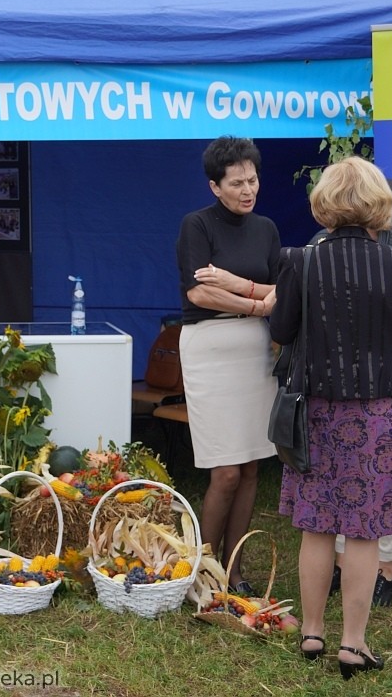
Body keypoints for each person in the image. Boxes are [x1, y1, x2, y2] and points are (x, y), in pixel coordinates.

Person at [270, 156, 392, 679]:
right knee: (363, 531)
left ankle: (312, 633)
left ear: (324, 203)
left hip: (315, 409)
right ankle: (352, 645)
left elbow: (284, 330)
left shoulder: (300, 259)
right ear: (378, 201)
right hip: (381, 409)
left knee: (316, 527)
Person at [176, 135, 279, 595]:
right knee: (226, 470)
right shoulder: (196, 226)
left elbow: (282, 294)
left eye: (252, 180)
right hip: (211, 347)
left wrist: (242, 291)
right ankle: (202, 567)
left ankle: (234, 570)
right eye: (235, 182)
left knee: (253, 466)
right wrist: (257, 302)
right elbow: (199, 293)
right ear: (214, 186)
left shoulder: (267, 229)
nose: (246, 189)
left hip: (256, 351)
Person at [321, 225, 392, 609]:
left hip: (387, 391)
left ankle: (386, 571)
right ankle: (339, 565)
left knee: (381, 488)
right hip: (335, 394)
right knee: (338, 484)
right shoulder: (321, 246)